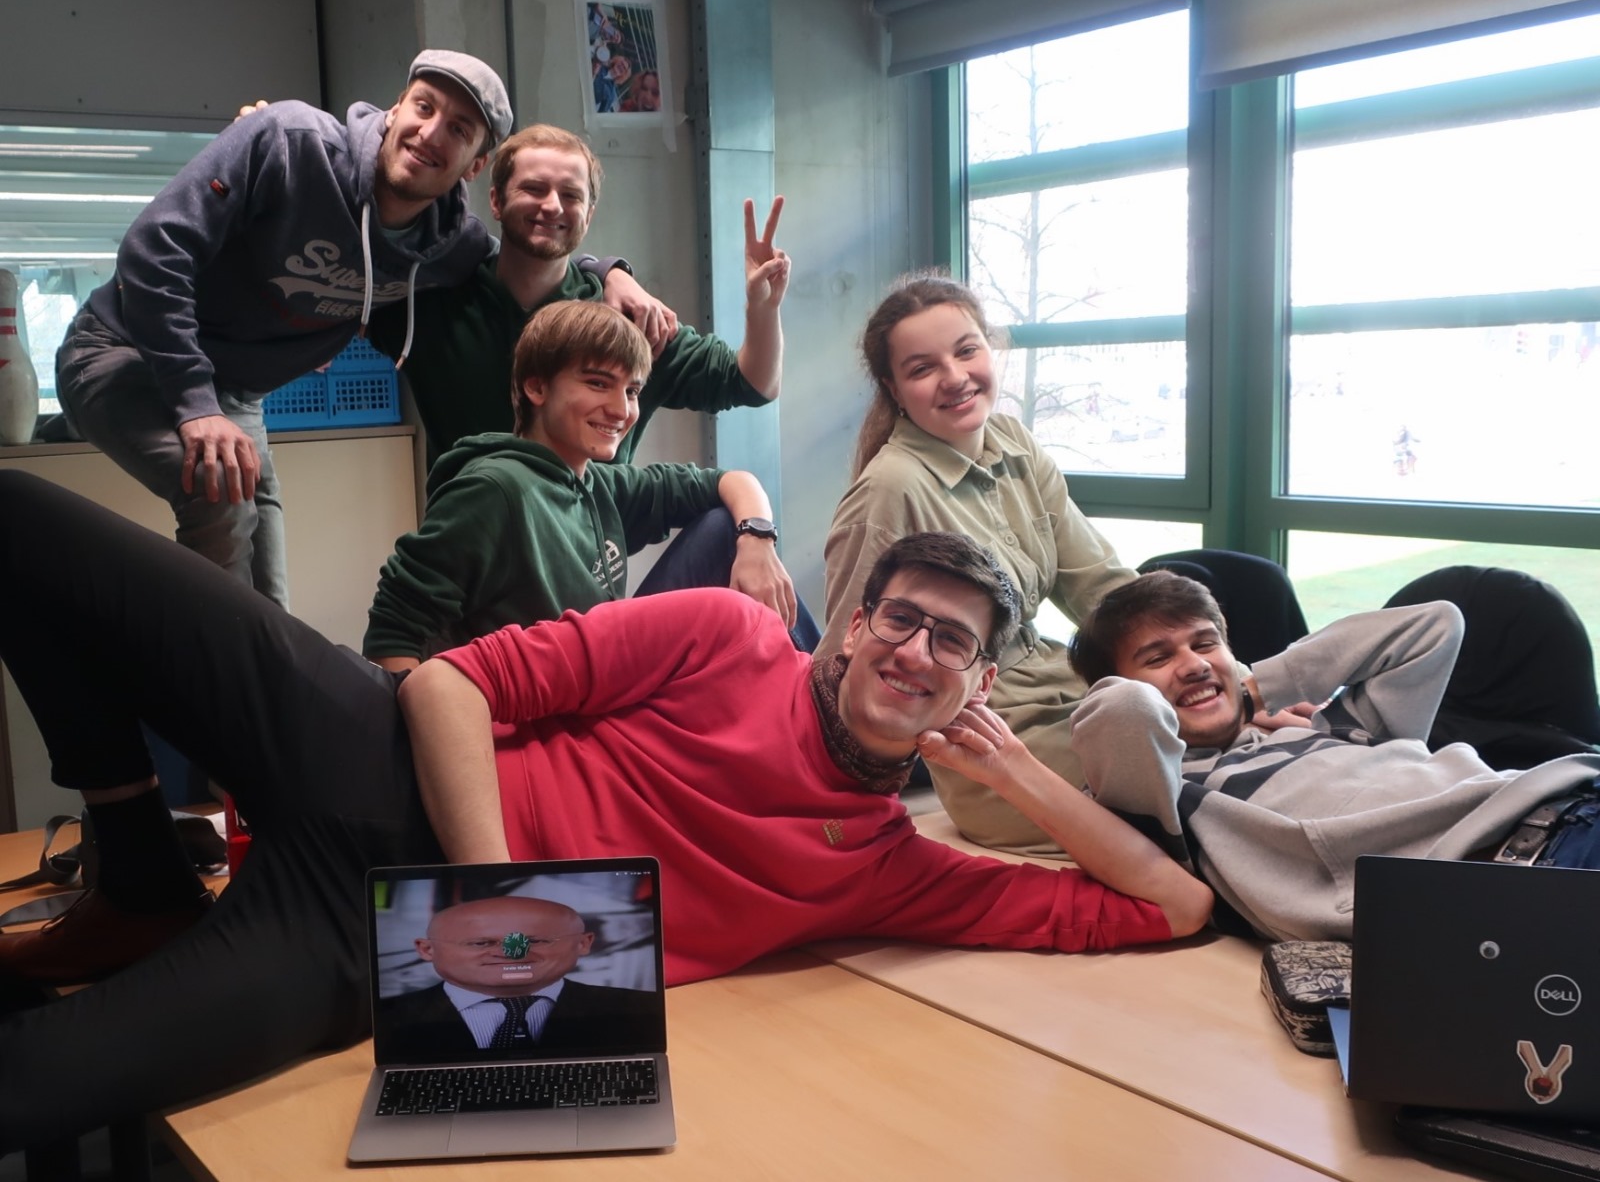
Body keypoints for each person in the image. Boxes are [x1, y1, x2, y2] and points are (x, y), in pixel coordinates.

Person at [0, 479, 1209, 1150]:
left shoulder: (890, 869)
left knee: (36, 1088)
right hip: (368, 748)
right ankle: (138, 867)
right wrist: (487, 902)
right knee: (25, 522)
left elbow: (1172, 906)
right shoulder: (726, 632)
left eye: (952, 642)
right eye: (899, 617)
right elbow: (450, 682)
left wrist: (1021, 774)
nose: (915, 649)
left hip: (363, 949)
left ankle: (146, 901)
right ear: (852, 626)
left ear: (980, 682)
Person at [54, 50, 514, 609]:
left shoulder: (449, 244)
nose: (431, 131)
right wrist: (197, 405)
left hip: (236, 393)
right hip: (119, 348)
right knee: (221, 501)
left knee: (269, 602)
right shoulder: (291, 143)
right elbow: (154, 250)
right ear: (396, 108)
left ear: (474, 165)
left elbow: (523, 264)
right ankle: (208, 665)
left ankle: (247, 665)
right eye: (424, 106)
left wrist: (603, 271)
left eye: (459, 129)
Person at [1065, 570, 1600, 944]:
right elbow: (1123, 711)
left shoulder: (1339, 728)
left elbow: (1437, 624)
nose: (1194, 665)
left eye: (1205, 644)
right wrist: (1190, 691)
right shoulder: (1173, 796)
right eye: (1157, 657)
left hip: (1569, 800)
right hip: (1528, 871)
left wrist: (1254, 690)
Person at [821, 272, 1134, 856]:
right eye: (923, 368)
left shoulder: (1014, 442)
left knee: (1219, 721)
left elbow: (1104, 589)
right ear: (893, 389)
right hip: (993, 743)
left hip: (1069, 691)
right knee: (1193, 763)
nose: (955, 377)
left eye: (966, 351)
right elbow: (845, 662)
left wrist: (1209, 665)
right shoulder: (889, 489)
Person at [362, 301, 798, 669]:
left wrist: (757, 539)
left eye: (631, 391)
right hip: (543, 712)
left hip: (603, 680)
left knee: (725, 527)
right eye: (597, 383)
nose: (621, 410)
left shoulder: (598, 484)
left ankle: (811, 700)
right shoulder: (494, 491)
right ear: (536, 387)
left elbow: (730, 481)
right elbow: (394, 629)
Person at [367, 123, 787, 469]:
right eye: (534, 188)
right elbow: (347, 305)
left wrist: (763, 308)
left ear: (589, 213)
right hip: (465, 540)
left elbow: (752, 383)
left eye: (571, 195)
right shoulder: (431, 306)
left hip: (591, 544)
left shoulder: (626, 320)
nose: (552, 206)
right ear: (495, 200)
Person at [378, 896, 658, 1057]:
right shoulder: (387, 1019)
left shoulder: (639, 1011)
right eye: (482, 943)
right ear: (426, 949)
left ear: (583, 943)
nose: (513, 953)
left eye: (535, 941)